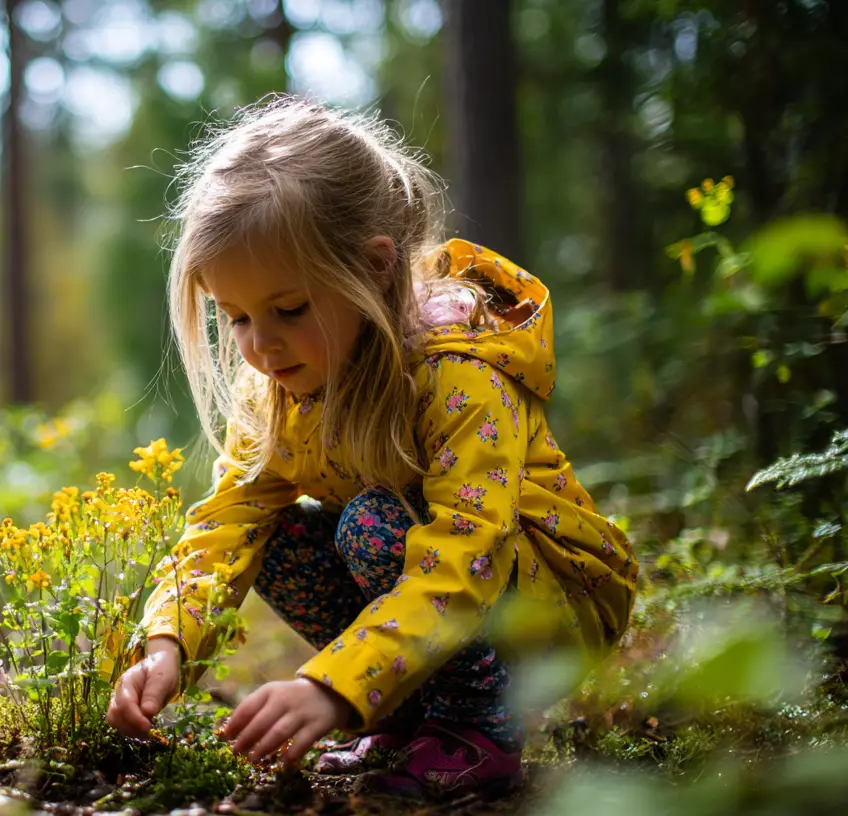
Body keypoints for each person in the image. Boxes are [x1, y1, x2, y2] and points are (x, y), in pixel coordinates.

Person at [104, 96, 637, 799]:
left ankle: (479, 731)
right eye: (236, 318)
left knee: (372, 527)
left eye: (288, 310)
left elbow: (464, 554)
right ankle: (407, 714)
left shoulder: (458, 375)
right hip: (436, 598)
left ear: (376, 268)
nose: (260, 344)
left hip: (550, 600)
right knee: (284, 534)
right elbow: (224, 527)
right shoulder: (278, 391)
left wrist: (333, 686)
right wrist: (166, 642)